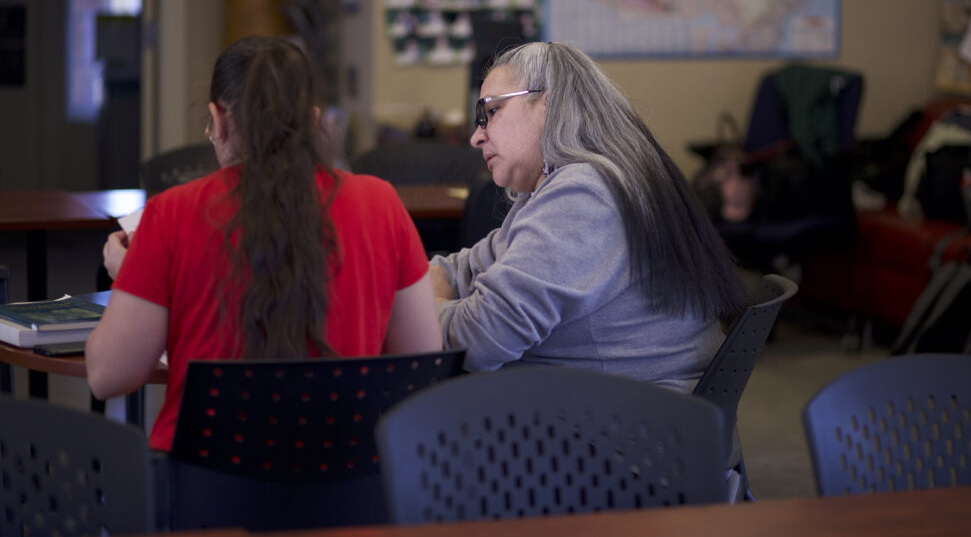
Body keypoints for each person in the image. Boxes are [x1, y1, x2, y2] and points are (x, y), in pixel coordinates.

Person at [86, 35, 441, 450]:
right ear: (313, 121)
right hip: (346, 491)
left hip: (204, 490)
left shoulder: (172, 214)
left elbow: (109, 374)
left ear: (217, 120)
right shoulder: (380, 203)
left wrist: (131, 275)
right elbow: (419, 361)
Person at [430, 41, 746, 389]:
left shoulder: (585, 194)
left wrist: (417, 309)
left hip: (628, 428)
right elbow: (465, 269)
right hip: (623, 412)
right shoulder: (581, 183)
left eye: (491, 111)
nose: (477, 137)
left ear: (547, 104)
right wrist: (425, 291)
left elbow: (479, 341)